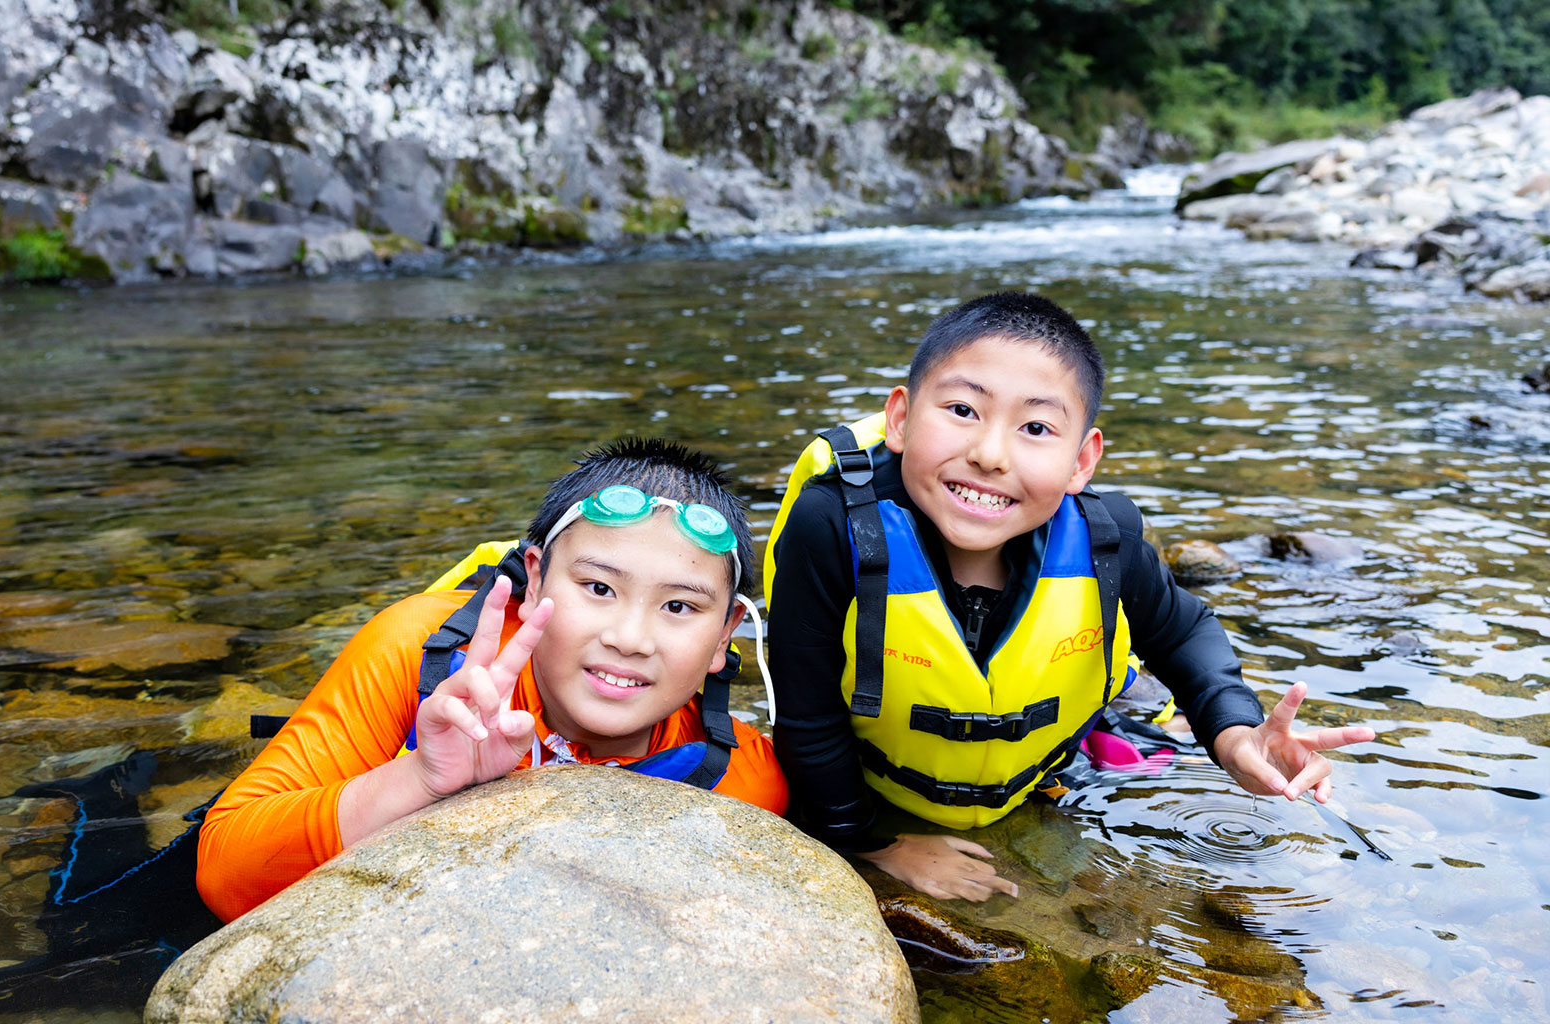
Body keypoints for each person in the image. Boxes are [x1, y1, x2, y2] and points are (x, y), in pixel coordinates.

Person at [763, 291, 1374, 901]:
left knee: (1154, 719)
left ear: (1082, 461)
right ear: (900, 419)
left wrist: (1235, 732)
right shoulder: (834, 529)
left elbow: (1182, 632)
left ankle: (1120, 729)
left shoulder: (1107, 540)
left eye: (1035, 428)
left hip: (1035, 764)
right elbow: (807, 717)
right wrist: (876, 845)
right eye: (961, 409)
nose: (989, 454)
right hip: (881, 785)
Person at [197, 439, 788, 922]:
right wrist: (421, 779)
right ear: (535, 582)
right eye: (600, 588)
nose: (631, 638)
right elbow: (223, 878)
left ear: (724, 635)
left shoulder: (745, 783)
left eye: (680, 607)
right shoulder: (416, 650)